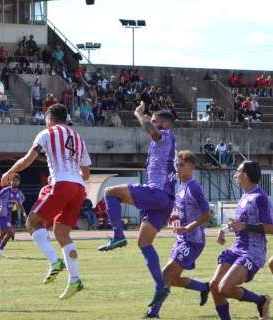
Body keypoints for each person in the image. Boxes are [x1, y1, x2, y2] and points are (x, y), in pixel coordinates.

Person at [1, 103, 91, 299]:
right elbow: (86, 173)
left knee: (32, 222)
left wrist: (10, 172)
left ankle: (54, 261)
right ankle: (75, 280)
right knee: (61, 233)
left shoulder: (46, 133)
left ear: (49, 119)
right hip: (78, 188)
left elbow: (27, 159)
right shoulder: (78, 138)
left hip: (62, 184)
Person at [98, 101, 177, 310]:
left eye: (155, 120)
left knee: (109, 192)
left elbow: (151, 130)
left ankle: (118, 235)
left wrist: (138, 114)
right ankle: (159, 291)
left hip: (157, 193)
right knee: (144, 242)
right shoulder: (162, 144)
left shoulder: (165, 136)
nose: (151, 122)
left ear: (165, 123)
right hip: (164, 201)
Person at [148, 150, 212, 318]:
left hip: (193, 241)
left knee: (165, 275)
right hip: (182, 239)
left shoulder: (194, 187)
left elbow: (207, 214)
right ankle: (204, 287)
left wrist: (188, 228)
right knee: (173, 279)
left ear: (191, 166)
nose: (178, 167)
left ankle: (153, 312)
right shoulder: (181, 186)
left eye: (181, 164)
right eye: (177, 164)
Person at [212, 161, 272, 320]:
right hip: (236, 248)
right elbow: (240, 224)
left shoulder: (260, 197)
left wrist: (244, 226)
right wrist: (223, 230)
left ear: (245, 175)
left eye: (238, 172)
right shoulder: (244, 196)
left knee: (224, 288)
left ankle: (262, 301)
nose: (235, 175)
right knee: (214, 286)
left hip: (253, 252)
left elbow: (270, 228)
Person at [0, 173, 25, 257]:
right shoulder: (6, 190)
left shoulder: (18, 192)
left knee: (2, 234)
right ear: (10, 181)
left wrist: (24, 213)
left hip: (8, 215)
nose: (15, 182)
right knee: (10, 232)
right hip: (2, 215)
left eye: (17, 181)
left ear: (19, 182)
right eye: (13, 180)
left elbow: (20, 202)